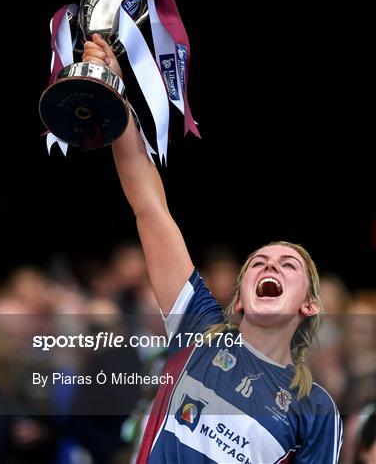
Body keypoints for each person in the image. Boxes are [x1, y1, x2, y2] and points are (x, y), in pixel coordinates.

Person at [82, 34, 343, 463]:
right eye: (257, 262)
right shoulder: (197, 328)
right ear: (238, 298)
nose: (268, 266)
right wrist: (114, 96)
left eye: (287, 264)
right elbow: (151, 209)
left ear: (310, 305)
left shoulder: (316, 410)